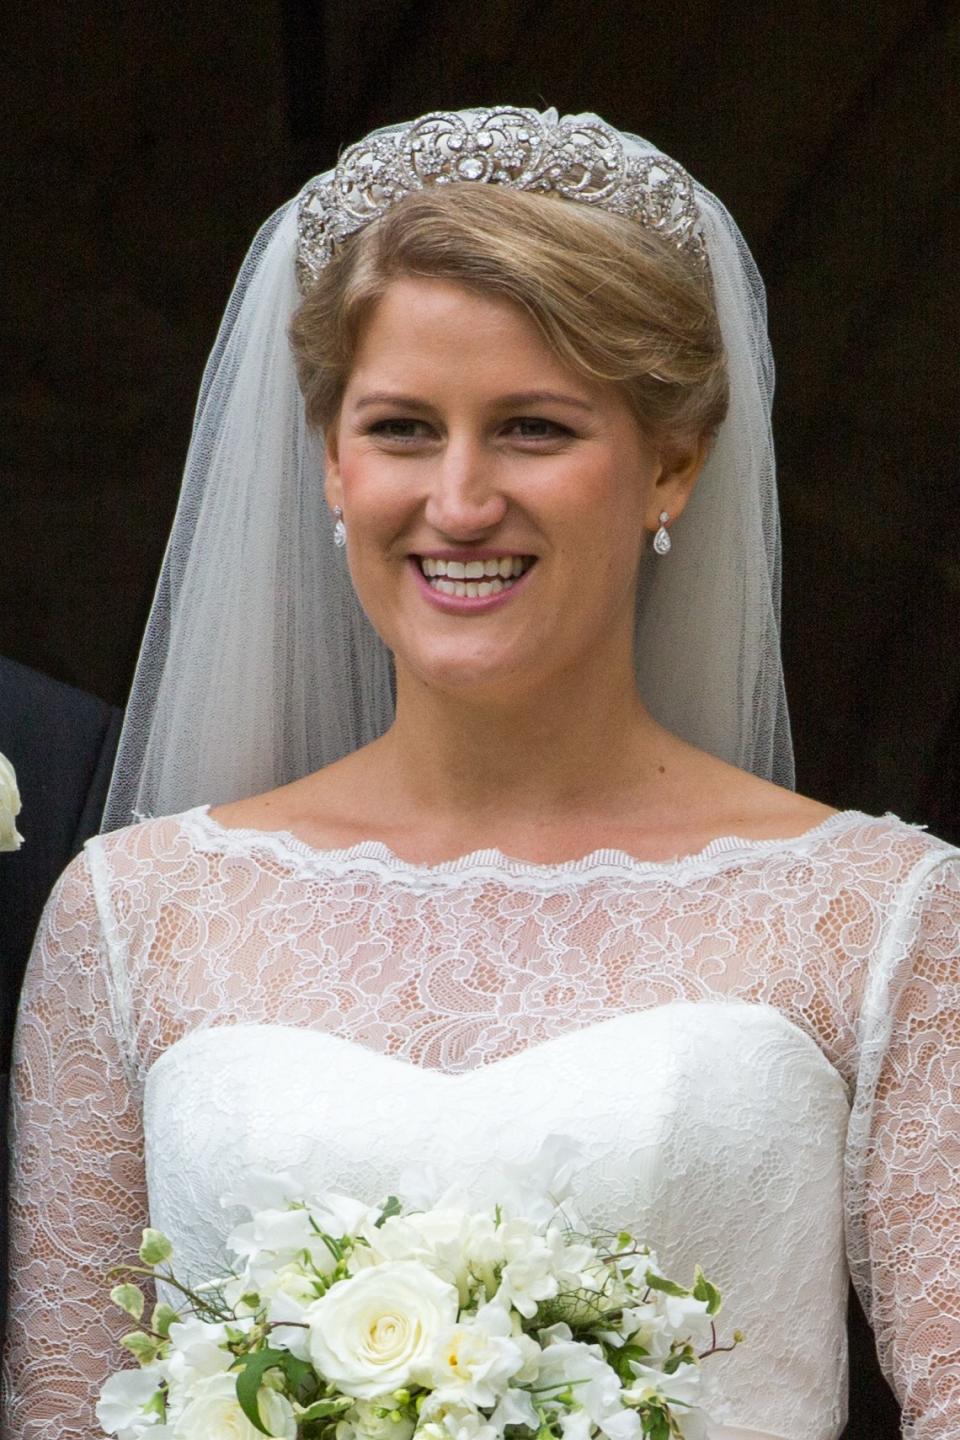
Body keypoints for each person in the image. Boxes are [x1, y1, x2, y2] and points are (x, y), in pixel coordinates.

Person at [3, 108, 958, 1439]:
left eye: (532, 430)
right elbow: (64, 1408)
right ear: (331, 462)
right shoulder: (130, 913)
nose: (458, 501)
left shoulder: (883, 914)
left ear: (671, 465)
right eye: (400, 428)